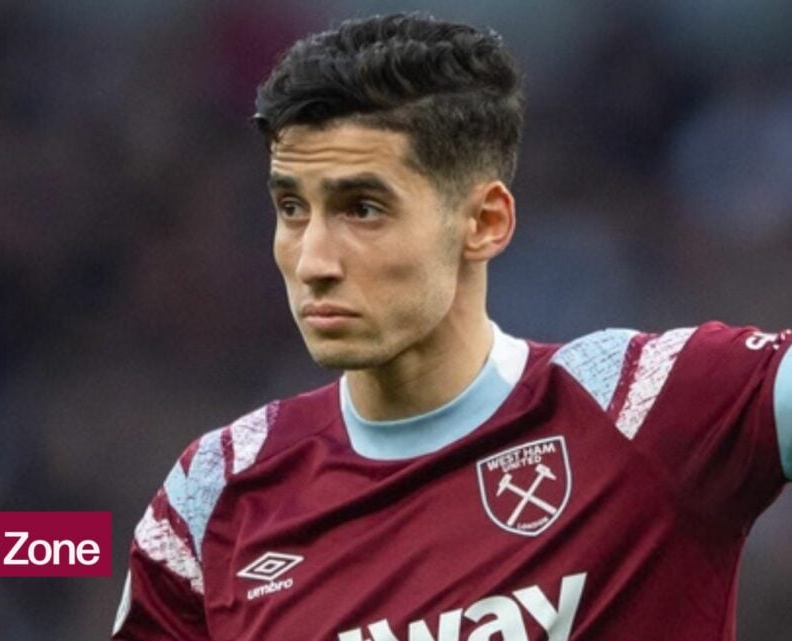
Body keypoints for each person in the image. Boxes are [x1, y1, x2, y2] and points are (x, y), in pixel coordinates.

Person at [111, 13, 791, 641]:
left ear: (484, 222)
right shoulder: (216, 493)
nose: (313, 259)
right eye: (292, 208)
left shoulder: (645, 405)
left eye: (364, 208)